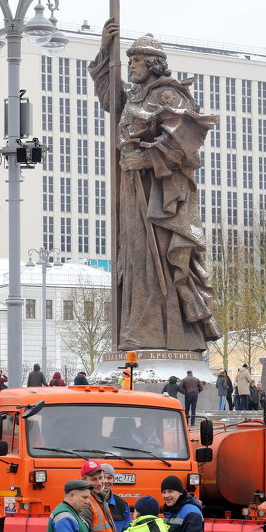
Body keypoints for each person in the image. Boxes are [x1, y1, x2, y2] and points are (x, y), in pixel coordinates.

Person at [89, 22, 221, 352]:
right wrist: (106, 52)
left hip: (161, 196)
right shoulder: (135, 96)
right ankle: (138, 329)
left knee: (159, 259)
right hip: (133, 192)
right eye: (129, 60)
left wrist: (146, 160)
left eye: (136, 60)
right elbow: (109, 96)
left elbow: (184, 140)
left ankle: (165, 332)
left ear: (153, 64)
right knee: (134, 256)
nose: (131, 65)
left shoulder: (168, 94)